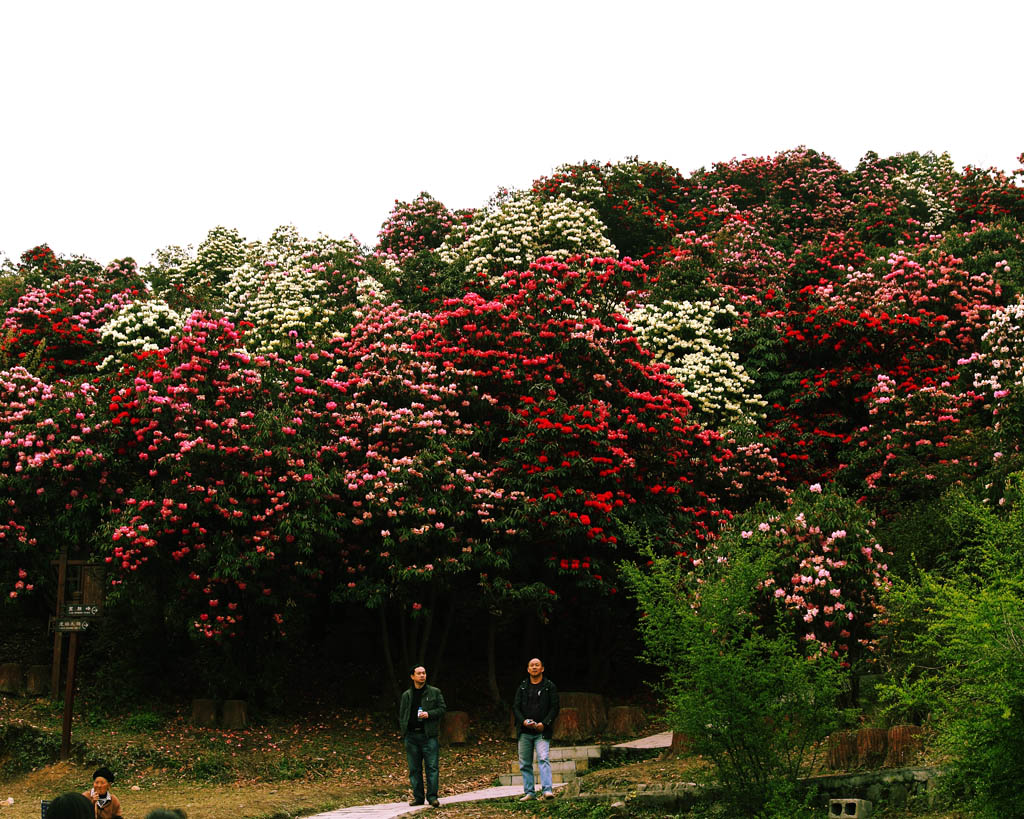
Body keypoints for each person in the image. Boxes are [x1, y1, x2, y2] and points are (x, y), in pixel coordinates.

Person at [398, 664, 446, 808]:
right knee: (414, 769)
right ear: (412, 676)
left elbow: (442, 709)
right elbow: (402, 715)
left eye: (424, 673)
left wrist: (429, 714)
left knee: (432, 767)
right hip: (411, 737)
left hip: (428, 736)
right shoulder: (407, 695)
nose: (422, 675)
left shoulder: (434, 692)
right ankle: (418, 797)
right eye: (419, 673)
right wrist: (404, 731)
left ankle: (432, 797)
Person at [513, 657, 559, 801]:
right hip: (525, 732)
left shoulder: (549, 686)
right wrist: (523, 721)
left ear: (542, 668)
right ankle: (529, 792)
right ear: (528, 669)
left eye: (537, 665)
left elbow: (554, 707)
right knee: (525, 763)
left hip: (542, 731)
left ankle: (547, 790)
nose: (534, 667)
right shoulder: (522, 686)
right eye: (531, 665)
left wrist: (544, 724)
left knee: (543, 758)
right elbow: (516, 707)